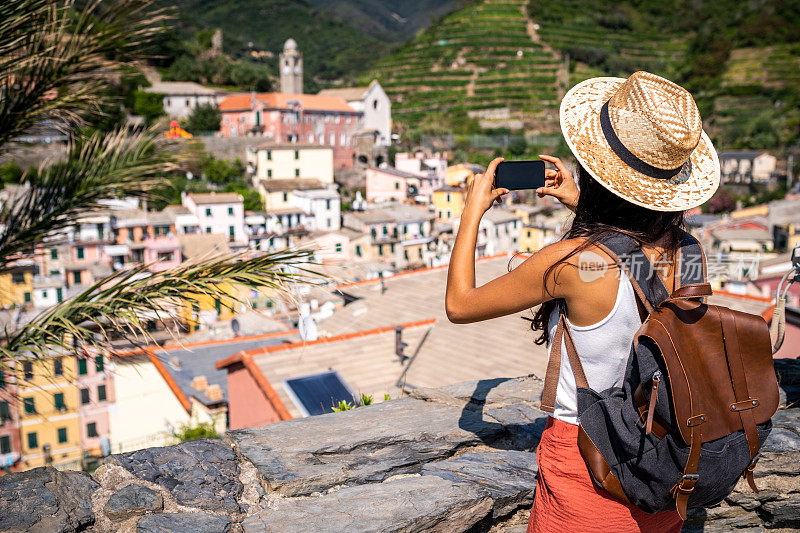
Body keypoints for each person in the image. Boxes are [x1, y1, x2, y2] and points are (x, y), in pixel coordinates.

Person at [445, 71, 720, 532]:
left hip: (587, 477)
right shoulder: (690, 252)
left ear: (597, 174)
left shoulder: (572, 264)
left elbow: (460, 304)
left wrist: (471, 213)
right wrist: (584, 208)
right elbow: (640, 273)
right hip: (665, 469)